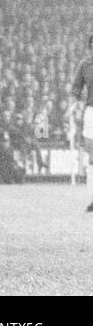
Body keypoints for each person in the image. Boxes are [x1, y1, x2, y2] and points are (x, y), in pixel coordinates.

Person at [70, 34, 93, 211]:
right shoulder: (85, 64)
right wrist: (74, 105)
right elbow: (76, 88)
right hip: (91, 111)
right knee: (92, 156)